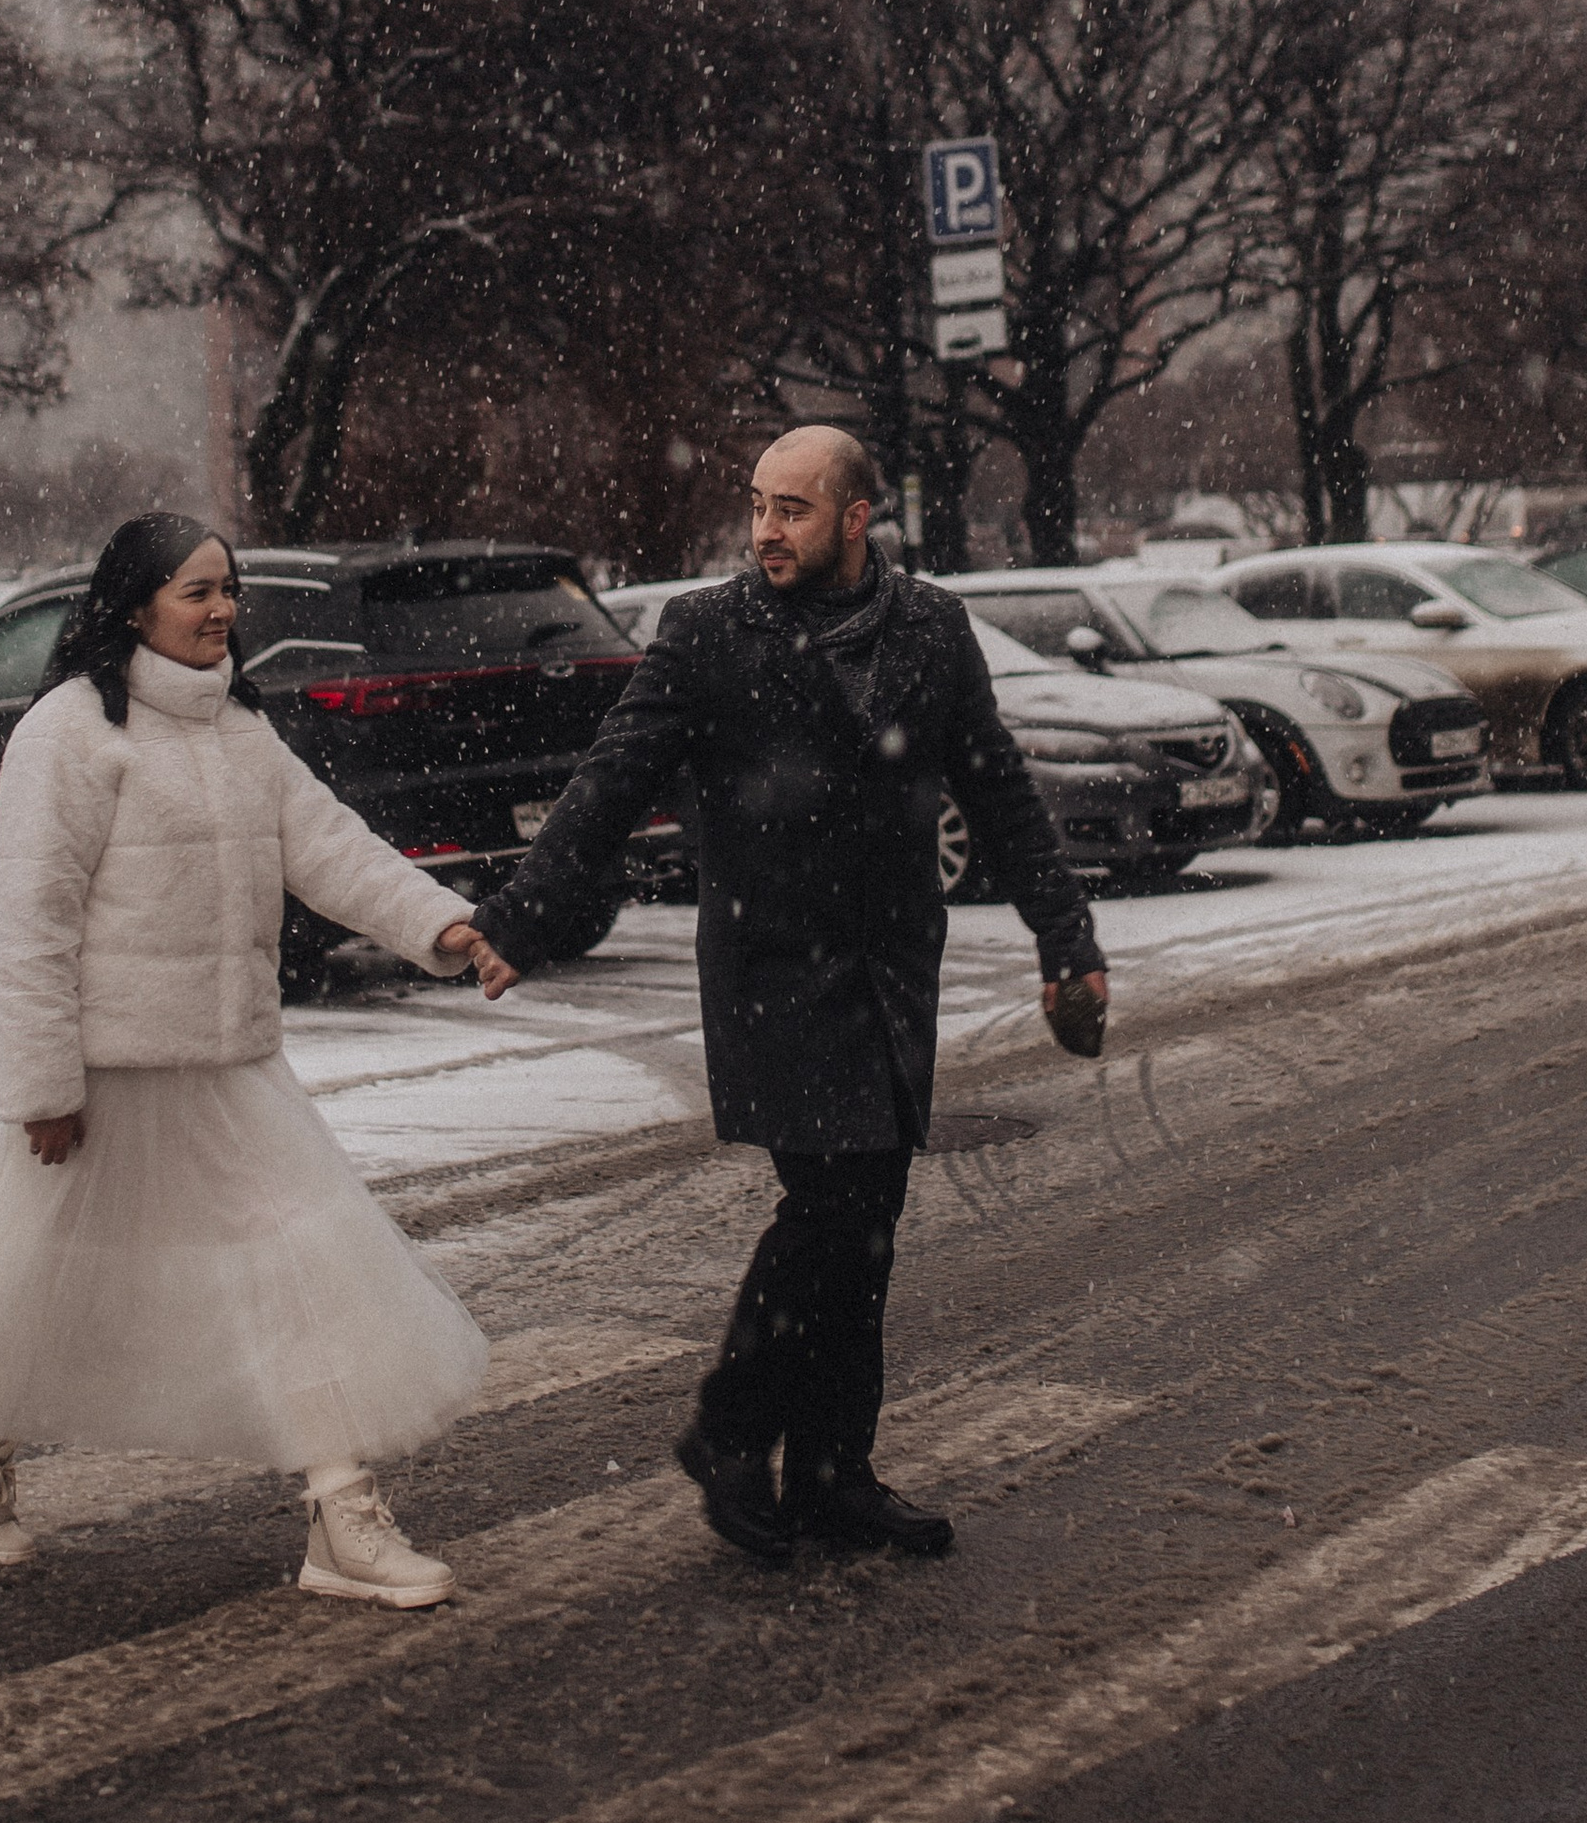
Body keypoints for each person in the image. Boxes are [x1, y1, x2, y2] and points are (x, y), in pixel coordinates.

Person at [471, 428, 1109, 1566]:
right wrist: (525, 916)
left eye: (793, 511)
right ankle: (729, 1427)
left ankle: (830, 1475)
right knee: (831, 1208)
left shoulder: (929, 627)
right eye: (757, 507)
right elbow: (613, 778)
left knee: (866, 1225)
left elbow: (998, 789)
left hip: (890, 967)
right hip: (775, 971)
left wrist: (1065, 937)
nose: (765, 530)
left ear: (857, 517)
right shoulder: (709, 633)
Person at [0, 513, 512, 1605]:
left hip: (230, 1072)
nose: (222, 612)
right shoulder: (67, 734)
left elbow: (332, 848)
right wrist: (44, 1090)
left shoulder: (238, 731)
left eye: (229, 591)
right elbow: (27, 928)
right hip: (102, 1083)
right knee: (50, 1289)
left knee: (301, 1269)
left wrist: (443, 927)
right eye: (198, 591)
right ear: (134, 605)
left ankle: (340, 1516)